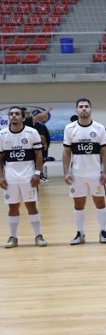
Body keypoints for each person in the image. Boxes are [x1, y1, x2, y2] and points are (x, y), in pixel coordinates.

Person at [62, 98, 106, 245]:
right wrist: (66, 172)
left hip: (95, 173)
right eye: (81, 107)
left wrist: (105, 172)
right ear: (76, 110)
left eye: (86, 106)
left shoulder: (99, 128)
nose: (84, 109)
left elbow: (104, 151)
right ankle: (80, 233)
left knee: (100, 203)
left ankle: (103, 232)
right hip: (77, 174)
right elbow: (66, 152)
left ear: (91, 109)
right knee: (78, 205)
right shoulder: (70, 128)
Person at [0, 105, 46, 248]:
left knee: (31, 206)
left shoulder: (32, 133)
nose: (13, 116)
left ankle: (38, 235)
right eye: (11, 114)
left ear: (23, 117)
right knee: (13, 208)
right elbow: (0, 159)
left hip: (28, 177)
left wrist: (37, 173)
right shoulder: (2, 135)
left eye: (17, 114)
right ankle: (13, 237)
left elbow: (39, 155)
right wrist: (1, 177)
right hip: (10, 178)